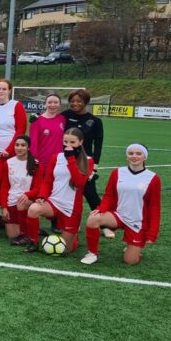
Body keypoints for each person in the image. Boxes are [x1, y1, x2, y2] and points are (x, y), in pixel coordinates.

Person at [82, 144, 161, 266]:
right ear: (127, 156)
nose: (134, 156)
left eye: (138, 154)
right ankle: (92, 253)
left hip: (137, 221)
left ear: (145, 157)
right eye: (131, 153)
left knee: (130, 261)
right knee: (93, 218)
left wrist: (152, 232)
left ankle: (135, 247)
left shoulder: (153, 178)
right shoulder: (117, 173)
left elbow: (155, 207)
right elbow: (109, 195)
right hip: (118, 215)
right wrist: (101, 209)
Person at [24, 127, 94, 254]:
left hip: (71, 209)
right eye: (65, 142)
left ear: (81, 142)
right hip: (53, 202)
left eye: (72, 142)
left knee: (65, 250)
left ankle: (73, 235)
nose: (68, 145)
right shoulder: (56, 157)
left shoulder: (88, 160)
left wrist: (70, 159)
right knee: (34, 209)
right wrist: (42, 196)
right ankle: (33, 242)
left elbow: (78, 182)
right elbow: (48, 181)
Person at [64, 88, 107, 235]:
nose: (75, 103)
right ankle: (65, 222)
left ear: (85, 102)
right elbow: (51, 122)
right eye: (72, 101)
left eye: (78, 101)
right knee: (64, 191)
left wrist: (95, 167)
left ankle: (104, 223)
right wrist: (37, 118)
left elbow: (98, 146)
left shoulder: (95, 121)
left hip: (84, 163)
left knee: (90, 193)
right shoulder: (65, 115)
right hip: (65, 159)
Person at [0, 135, 41, 246]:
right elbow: (4, 187)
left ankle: (28, 233)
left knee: (22, 204)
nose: (19, 147)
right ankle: (33, 230)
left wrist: (28, 194)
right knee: (12, 235)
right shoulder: (8, 163)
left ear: (28, 148)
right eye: (17, 145)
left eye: (23, 145)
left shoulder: (36, 164)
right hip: (11, 201)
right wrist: (4, 207)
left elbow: (38, 188)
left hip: (27, 201)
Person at [30, 92, 67, 169]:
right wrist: (34, 159)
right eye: (49, 102)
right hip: (42, 161)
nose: (52, 105)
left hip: (59, 161)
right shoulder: (37, 121)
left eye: (56, 102)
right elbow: (33, 143)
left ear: (60, 104)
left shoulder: (62, 119)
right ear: (45, 104)